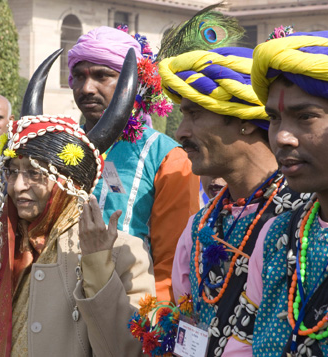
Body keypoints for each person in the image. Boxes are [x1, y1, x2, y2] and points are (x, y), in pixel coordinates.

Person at [0, 49, 155, 356]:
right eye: (12, 172)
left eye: (35, 174)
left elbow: (124, 351)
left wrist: (97, 264)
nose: (17, 186)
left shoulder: (122, 251)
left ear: (68, 184)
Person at [158, 46, 307, 356]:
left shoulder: (304, 218)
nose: (182, 132)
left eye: (194, 114)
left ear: (247, 119)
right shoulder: (199, 226)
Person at [68, 26, 200, 302]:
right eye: (79, 76)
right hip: (60, 310)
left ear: (132, 83)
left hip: (129, 316)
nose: (86, 88)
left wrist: (146, 327)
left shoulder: (167, 157)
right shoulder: (62, 146)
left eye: (102, 76)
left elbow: (172, 265)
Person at [226, 31, 328, 356]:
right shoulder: (276, 237)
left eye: (306, 117)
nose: (282, 136)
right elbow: (239, 347)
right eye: (274, 118)